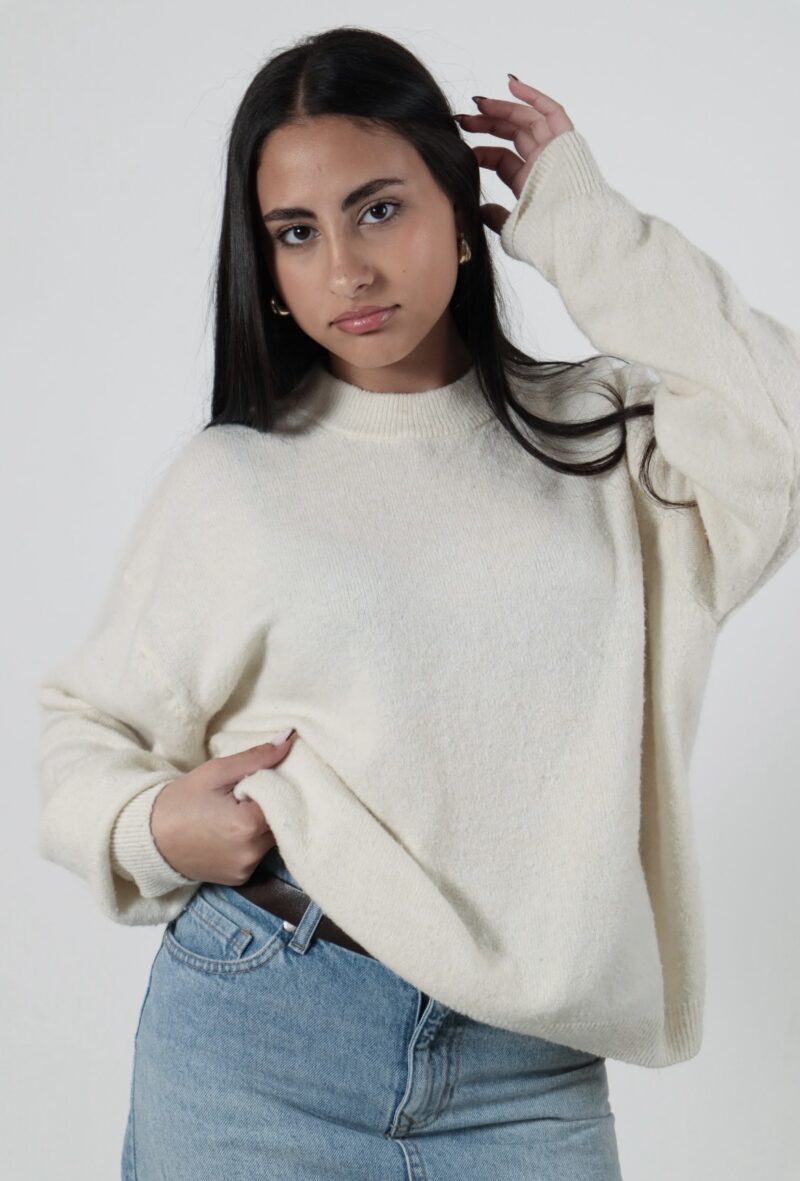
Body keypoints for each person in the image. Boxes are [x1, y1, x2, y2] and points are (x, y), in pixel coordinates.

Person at [34, 25, 800, 1181]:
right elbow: (84, 726)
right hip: (262, 1030)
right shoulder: (236, 482)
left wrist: (580, 220)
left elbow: (775, 431)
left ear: (459, 208)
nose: (345, 267)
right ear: (266, 267)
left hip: (527, 1077)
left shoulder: (610, 442)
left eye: (379, 209)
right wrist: (149, 828)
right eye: (297, 231)